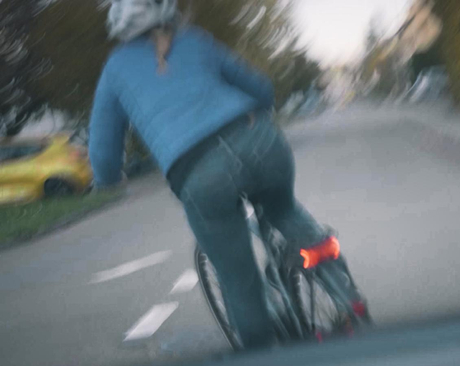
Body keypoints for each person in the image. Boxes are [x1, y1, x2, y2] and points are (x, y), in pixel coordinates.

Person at [89, 0, 336, 349]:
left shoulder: (115, 68)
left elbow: (102, 145)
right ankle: (344, 293)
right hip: (261, 142)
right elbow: (260, 87)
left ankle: (262, 352)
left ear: (120, 27)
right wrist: (259, 110)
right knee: (284, 210)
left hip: (198, 172)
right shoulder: (195, 39)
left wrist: (108, 179)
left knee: (240, 282)